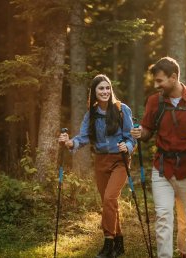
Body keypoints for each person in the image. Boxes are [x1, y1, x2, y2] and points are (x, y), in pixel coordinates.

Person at [130, 57, 186, 258]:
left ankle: (185, 253)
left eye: (160, 81)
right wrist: (139, 132)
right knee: (163, 216)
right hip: (162, 168)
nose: (156, 85)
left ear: (174, 77)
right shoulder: (155, 101)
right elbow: (147, 131)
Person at [59, 74, 136, 258]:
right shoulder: (91, 114)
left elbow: (131, 136)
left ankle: (108, 242)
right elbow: (83, 137)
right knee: (109, 202)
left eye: (107, 88)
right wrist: (70, 143)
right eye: (101, 88)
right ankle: (120, 242)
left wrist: (128, 146)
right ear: (94, 92)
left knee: (110, 198)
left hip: (120, 160)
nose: (105, 91)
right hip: (101, 161)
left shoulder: (121, 109)